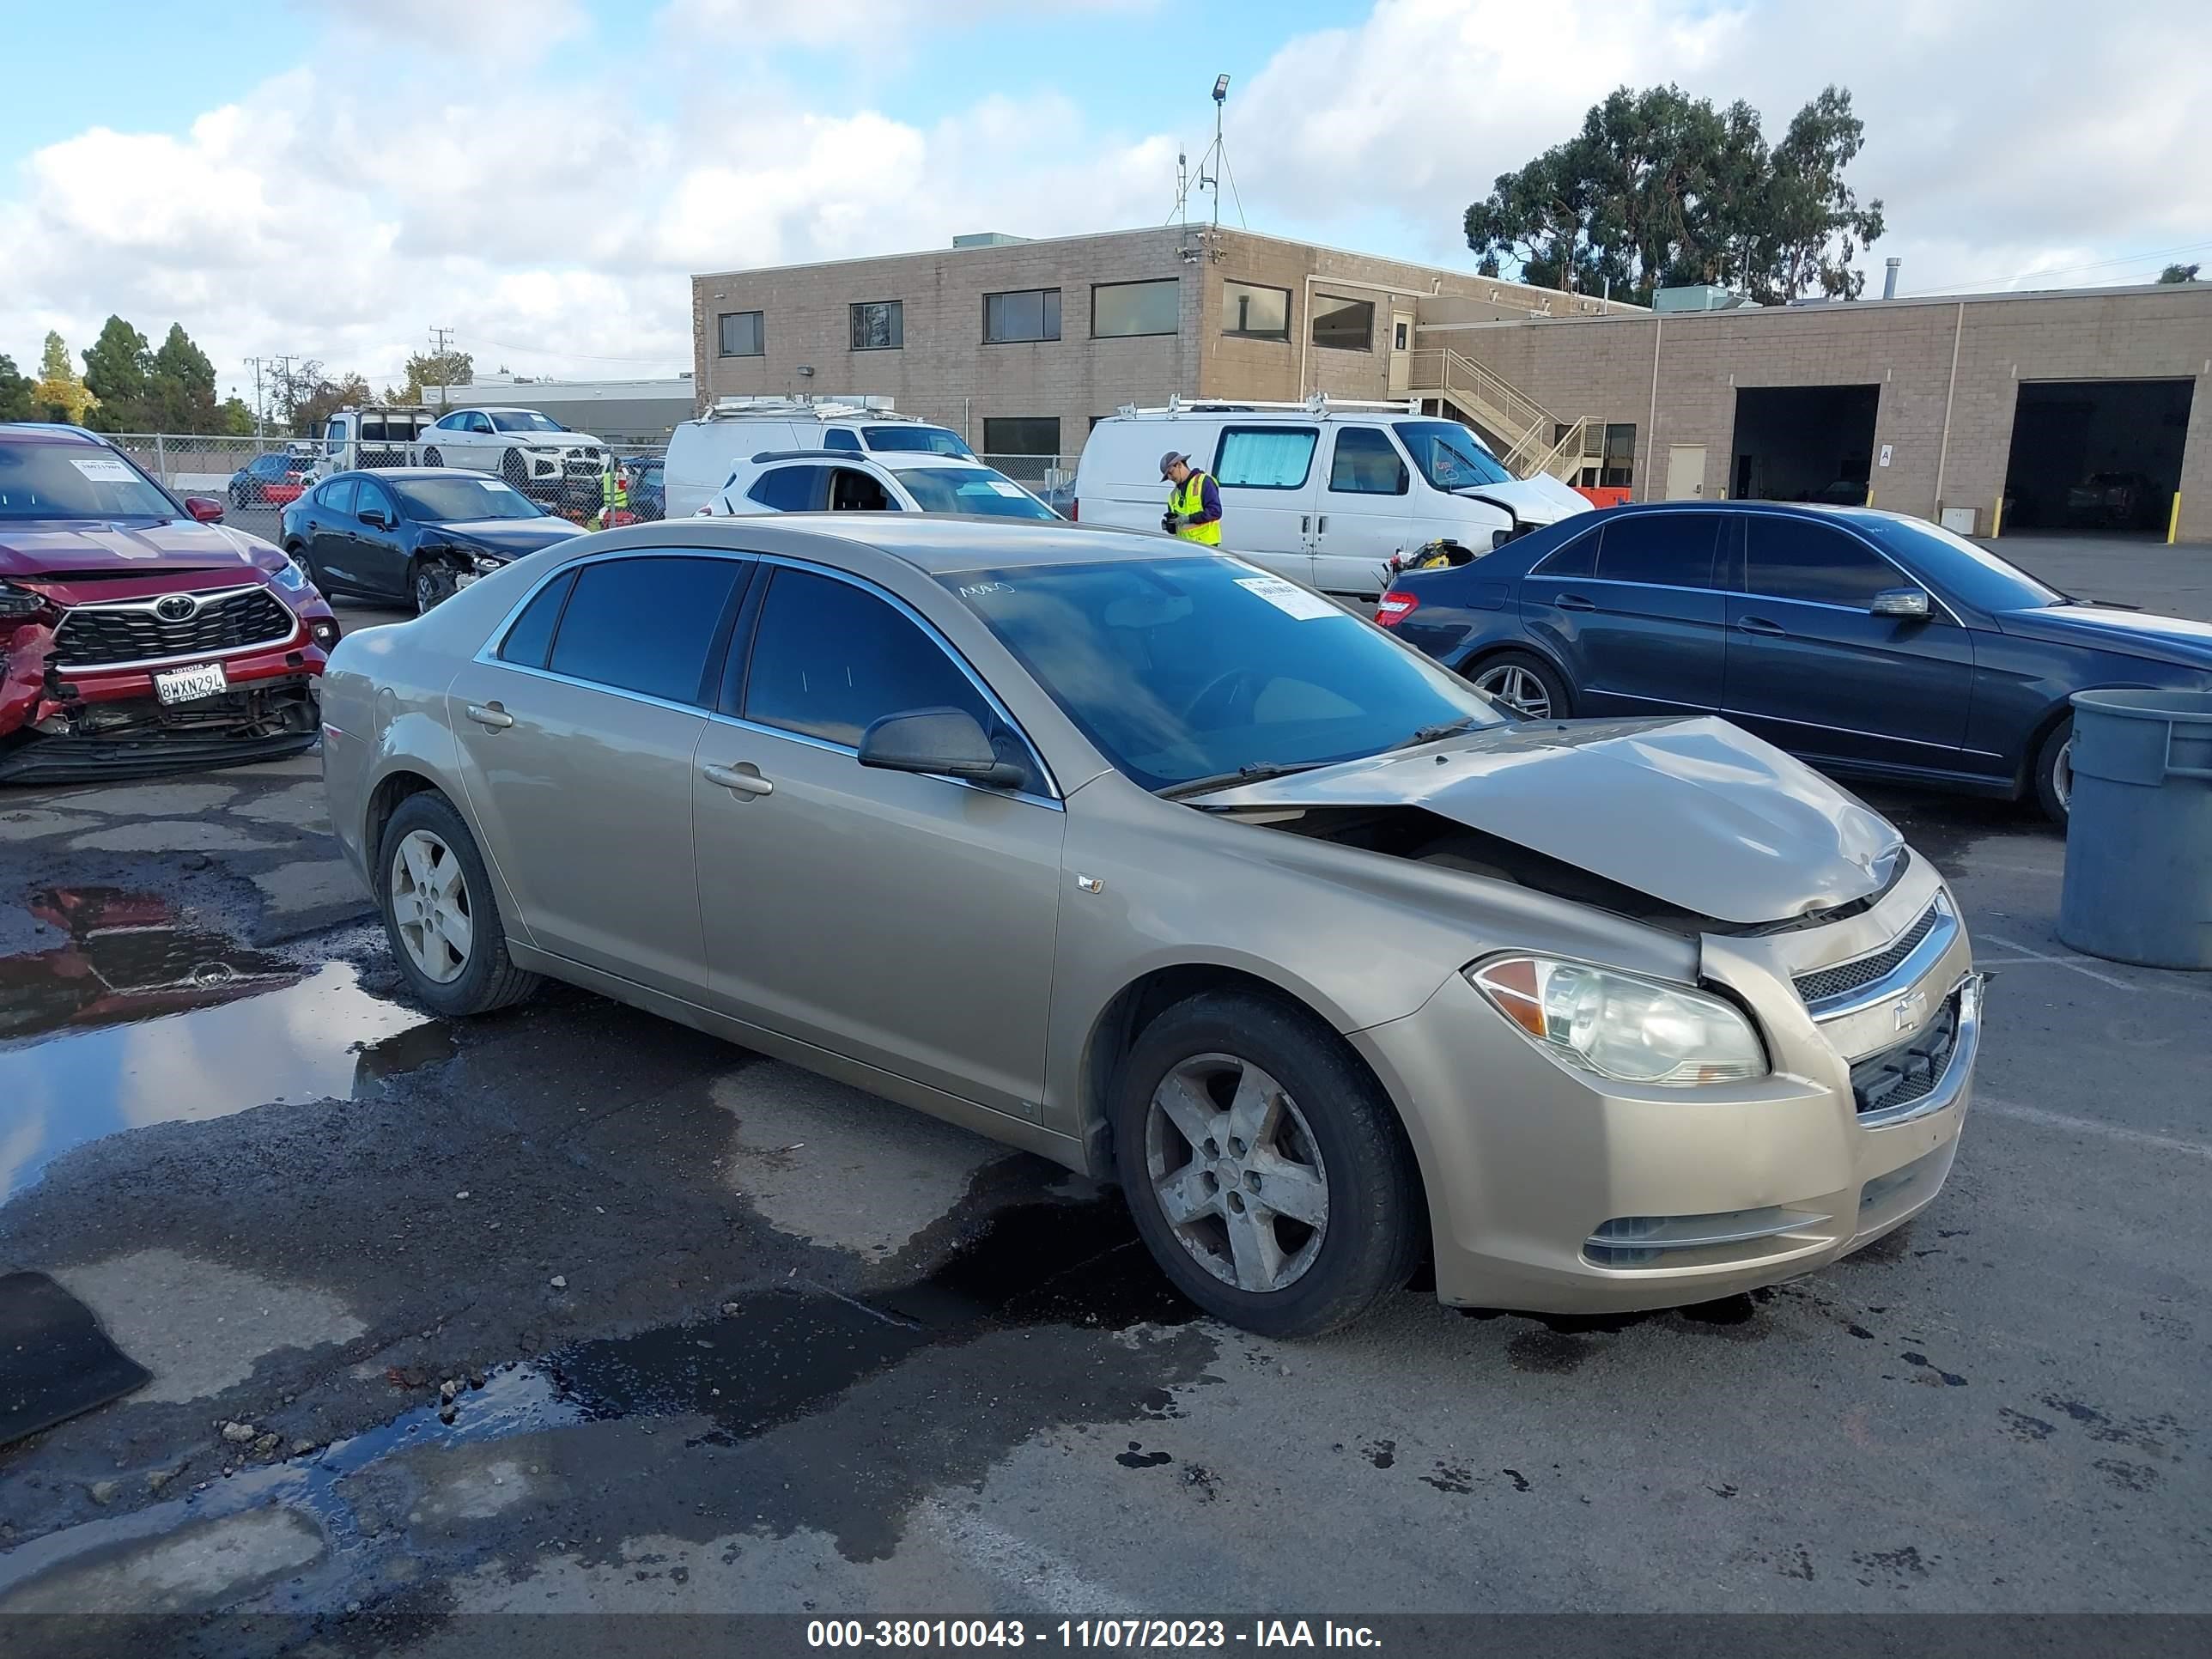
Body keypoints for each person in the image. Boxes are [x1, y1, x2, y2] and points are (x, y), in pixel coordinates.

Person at [1160, 451, 1222, 545]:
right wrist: (1170, 526)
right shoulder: (1173, 495)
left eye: (1171, 472)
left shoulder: (1204, 482)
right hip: (1186, 547)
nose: (1170, 477)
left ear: (1179, 465)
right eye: (1167, 476)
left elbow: (1215, 511)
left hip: (1206, 545)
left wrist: (1188, 519)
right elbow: (1179, 528)